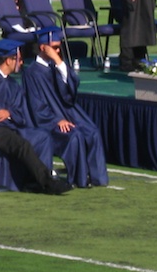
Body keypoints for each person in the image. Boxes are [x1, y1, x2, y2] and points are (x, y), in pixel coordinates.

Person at [0, 39, 71, 195]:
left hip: (11, 126)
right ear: (8, 60)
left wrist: (9, 113)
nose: (21, 62)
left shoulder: (13, 84)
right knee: (21, 145)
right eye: (18, 59)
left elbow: (21, 112)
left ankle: (34, 181)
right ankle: (47, 182)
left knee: (42, 137)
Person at [22, 27, 108, 188]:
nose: (57, 50)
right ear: (43, 47)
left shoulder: (57, 66)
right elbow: (36, 106)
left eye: (58, 47)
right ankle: (79, 179)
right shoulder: (32, 73)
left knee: (92, 131)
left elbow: (70, 92)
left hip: (67, 113)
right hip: (48, 120)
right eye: (54, 47)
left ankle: (98, 178)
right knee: (74, 136)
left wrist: (59, 62)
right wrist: (56, 120)